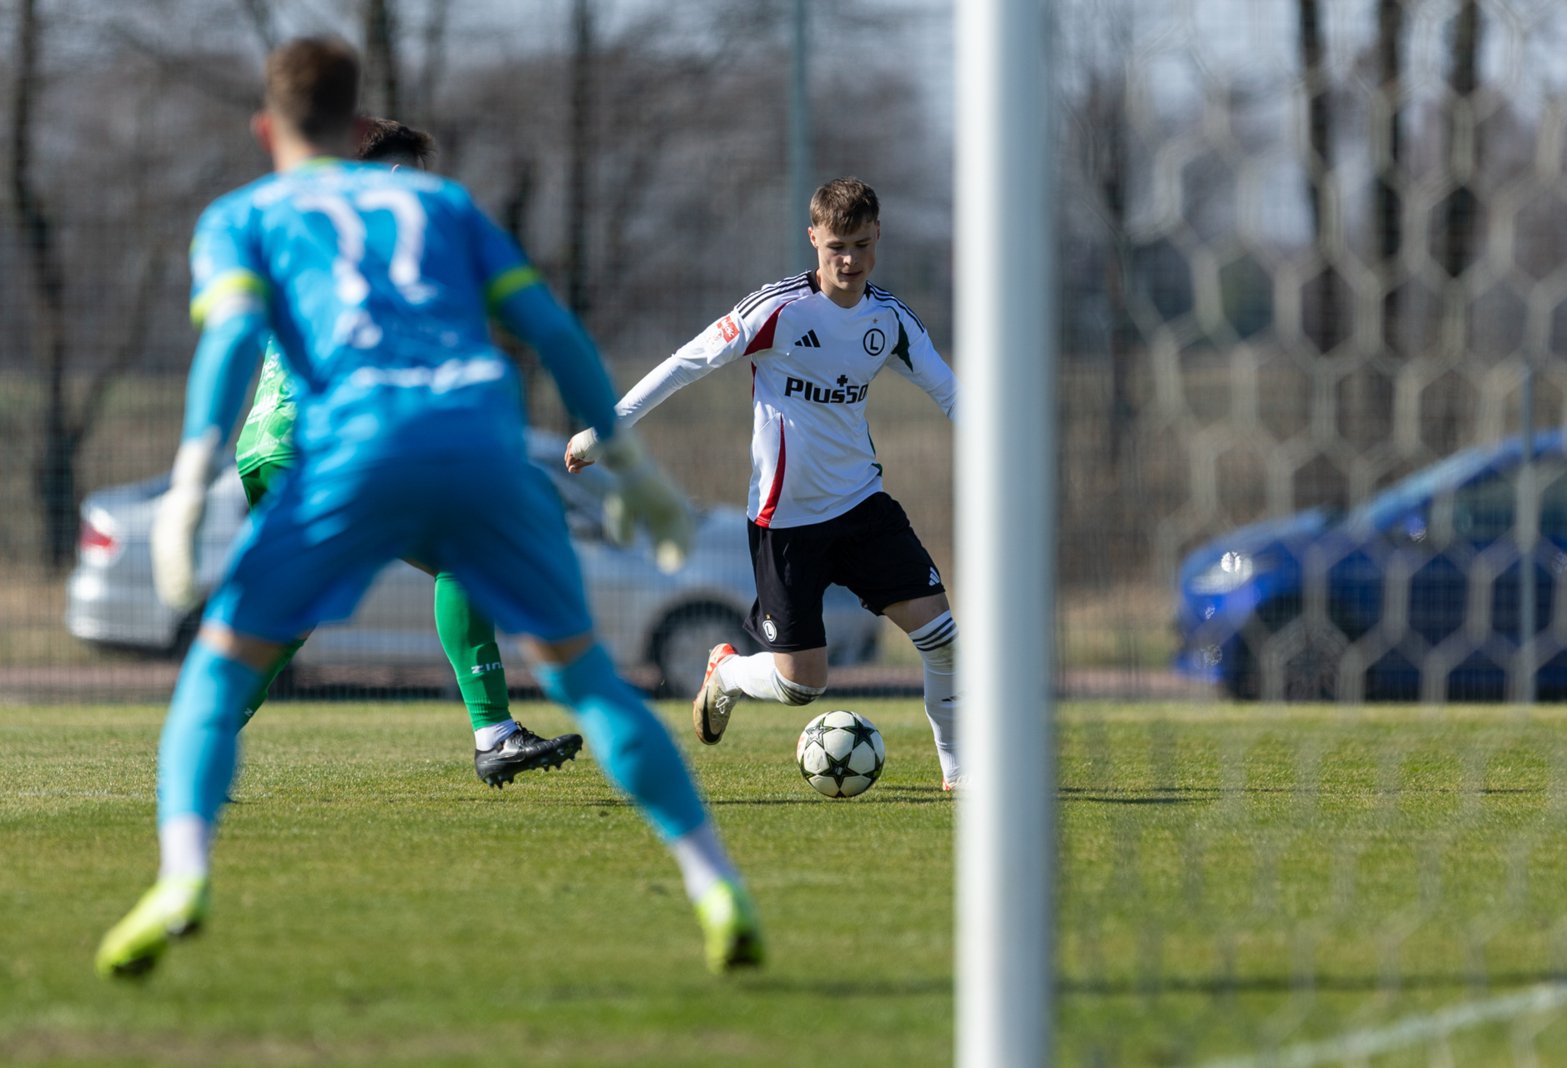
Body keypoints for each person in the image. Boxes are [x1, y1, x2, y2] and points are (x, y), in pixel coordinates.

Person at [95, 36, 762, 980]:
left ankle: (180, 878)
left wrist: (189, 472)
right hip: (468, 445)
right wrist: (634, 470)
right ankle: (714, 883)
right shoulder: (445, 207)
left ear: (267, 126)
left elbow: (229, 342)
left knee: (230, 657)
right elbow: (551, 329)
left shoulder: (249, 215)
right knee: (588, 677)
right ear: (360, 123)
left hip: (336, 450)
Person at [565, 177, 962, 789]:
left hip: (862, 506)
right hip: (787, 521)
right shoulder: (777, 310)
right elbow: (686, 362)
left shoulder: (891, 321)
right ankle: (724, 673)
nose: (849, 260)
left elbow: (951, 393)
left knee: (940, 637)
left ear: (878, 235)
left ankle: (960, 773)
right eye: (836, 247)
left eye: (860, 244)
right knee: (802, 684)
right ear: (813, 239)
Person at [233, 116, 581, 788]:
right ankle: (494, 732)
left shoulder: (302, 232)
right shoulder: (380, 247)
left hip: (267, 447)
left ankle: (201, 740)